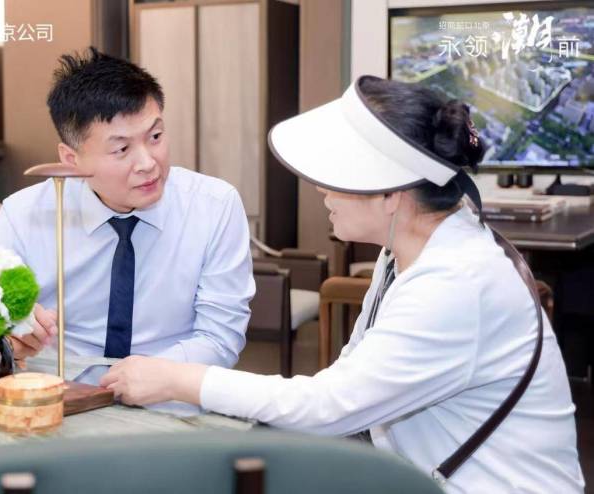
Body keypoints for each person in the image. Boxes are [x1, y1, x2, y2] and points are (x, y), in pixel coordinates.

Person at [99, 76, 585, 493]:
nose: (321, 189)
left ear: (391, 193)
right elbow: (351, 379)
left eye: (336, 176)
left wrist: (177, 379)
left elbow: (329, 406)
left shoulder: (455, 284)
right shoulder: (406, 251)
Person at [0, 48, 255, 379]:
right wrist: (15, 332)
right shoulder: (24, 215)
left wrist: (151, 375)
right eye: (121, 149)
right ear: (71, 159)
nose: (147, 163)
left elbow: (220, 338)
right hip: (61, 390)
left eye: (155, 137)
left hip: (172, 390)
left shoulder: (214, 206)